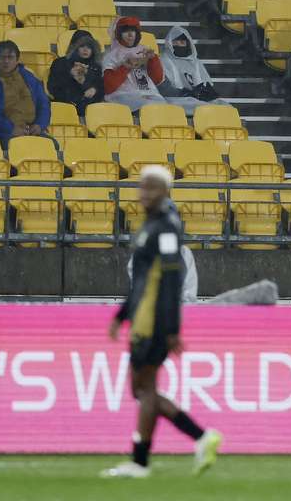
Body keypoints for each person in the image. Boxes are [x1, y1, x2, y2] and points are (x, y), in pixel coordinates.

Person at [102, 165, 222, 479]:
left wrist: (171, 330)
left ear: (165, 192)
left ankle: (154, 455)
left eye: (151, 188)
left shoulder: (168, 227)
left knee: (145, 389)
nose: (144, 193)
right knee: (142, 390)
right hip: (142, 317)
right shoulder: (152, 226)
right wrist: (121, 315)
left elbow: (170, 282)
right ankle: (166, 450)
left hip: (154, 321)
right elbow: (141, 281)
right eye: (142, 187)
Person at [0, 41, 50, 144]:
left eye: (10, 57)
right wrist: (10, 129)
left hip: (32, 130)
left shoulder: (29, 78)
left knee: (51, 144)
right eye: (2, 57)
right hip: (3, 133)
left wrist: (40, 125)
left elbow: (44, 103)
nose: (6, 61)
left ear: (17, 60)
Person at [103, 16, 168, 111]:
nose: (130, 35)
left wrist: (153, 60)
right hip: (122, 95)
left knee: (165, 108)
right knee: (148, 107)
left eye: (132, 31)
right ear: (119, 34)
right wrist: (125, 67)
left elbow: (157, 80)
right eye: (125, 31)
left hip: (149, 94)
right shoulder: (112, 55)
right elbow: (108, 87)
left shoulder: (145, 50)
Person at [157, 25, 222, 116]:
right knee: (203, 108)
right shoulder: (163, 60)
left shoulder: (195, 62)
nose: (179, 44)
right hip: (176, 98)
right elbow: (164, 88)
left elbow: (205, 84)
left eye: (182, 41)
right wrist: (187, 93)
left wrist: (205, 92)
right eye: (176, 41)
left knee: (225, 107)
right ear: (170, 43)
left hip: (197, 97)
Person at [47, 29, 104, 117]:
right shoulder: (60, 63)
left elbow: (101, 89)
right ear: (74, 47)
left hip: (89, 108)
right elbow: (52, 87)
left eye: (89, 47)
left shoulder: (95, 67)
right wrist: (70, 75)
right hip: (64, 105)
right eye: (82, 46)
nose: (85, 50)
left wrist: (92, 89)